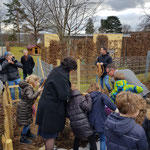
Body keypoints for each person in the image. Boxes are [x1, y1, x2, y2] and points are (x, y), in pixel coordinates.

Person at [36, 57, 77, 150]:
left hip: (45, 105)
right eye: (73, 71)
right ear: (70, 69)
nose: (72, 72)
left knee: (46, 133)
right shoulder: (62, 76)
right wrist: (71, 93)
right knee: (51, 134)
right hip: (51, 109)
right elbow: (63, 95)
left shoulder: (57, 70)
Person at [87, 83, 117, 150]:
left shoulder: (87, 97)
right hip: (101, 121)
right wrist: (116, 109)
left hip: (90, 121)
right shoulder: (102, 96)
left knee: (92, 141)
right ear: (98, 88)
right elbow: (109, 102)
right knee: (103, 140)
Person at [67, 85, 97, 150]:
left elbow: (67, 114)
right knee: (92, 139)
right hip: (84, 124)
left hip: (74, 125)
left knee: (77, 139)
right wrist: (88, 96)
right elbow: (88, 107)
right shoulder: (80, 98)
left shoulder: (68, 101)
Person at [17, 74, 43, 144]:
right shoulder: (29, 88)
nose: (37, 83)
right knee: (26, 123)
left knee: (28, 122)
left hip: (25, 106)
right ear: (33, 82)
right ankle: (23, 138)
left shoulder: (27, 86)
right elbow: (31, 97)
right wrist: (38, 91)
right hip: (25, 108)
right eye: (37, 82)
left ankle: (28, 133)